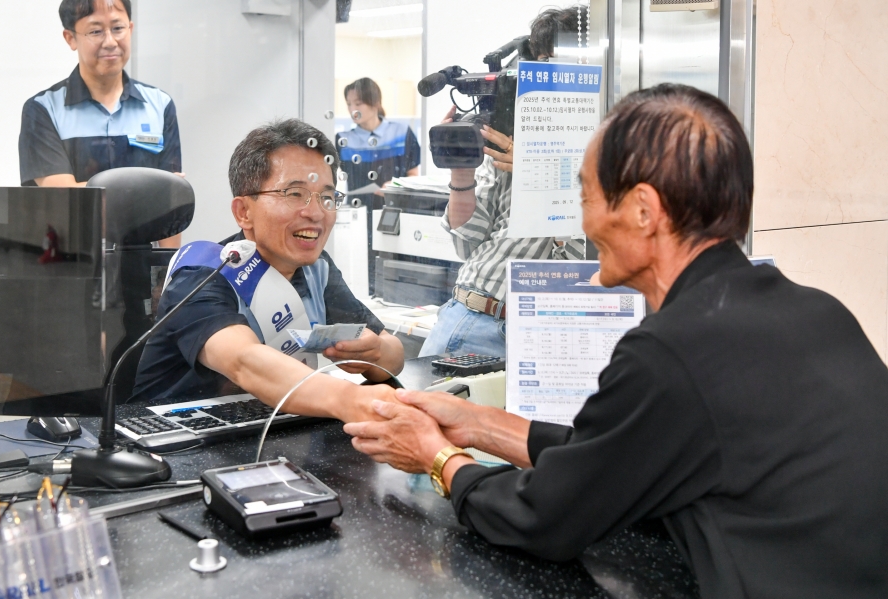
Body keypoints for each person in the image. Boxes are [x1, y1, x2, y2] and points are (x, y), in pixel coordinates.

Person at [345, 84, 888, 598]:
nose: (582, 220)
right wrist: (478, 424)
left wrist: (434, 454)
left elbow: (544, 517)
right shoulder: (817, 311)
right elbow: (615, 456)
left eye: (586, 194)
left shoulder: (671, 350)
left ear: (644, 211)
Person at [132, 119, 404, 424]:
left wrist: (374, 354)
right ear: (243, 212)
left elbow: (393, 352)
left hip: (273, 429)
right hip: (173, 437)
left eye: (327, 197)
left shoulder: (317, 270)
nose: (316, 213)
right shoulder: (204, 274)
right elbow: (245, 362)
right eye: (295, 194)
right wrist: (354, 401)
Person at [418, 6, 584, 358]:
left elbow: (581, 260)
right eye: (544, 60)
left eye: (564, 60)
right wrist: (462, 170)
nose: (551, 71)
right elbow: (467, 245)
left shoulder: (611, 152)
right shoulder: (513, 138)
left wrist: (540, 172)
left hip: (539, 331)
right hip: (466, 314)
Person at [18, 0, 182, 247]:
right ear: (70, 38)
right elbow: (63, 197)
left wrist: (167, 268)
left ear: (130, 28)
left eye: (118, 28)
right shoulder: (42, 110)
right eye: (95, 31)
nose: (110, 41)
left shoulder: (160, 105)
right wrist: (149, 193)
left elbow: (170, 206)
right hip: (71, 259)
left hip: (139, 261)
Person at [336, 77, 421, 295]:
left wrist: (397, 185)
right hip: (359, 218)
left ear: (375, 103)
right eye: (349, 104)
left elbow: (414, 176)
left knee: (396, 271)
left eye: (358, 103)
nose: (353, 110)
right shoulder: (343, 140)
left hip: (395, 212)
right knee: (361, 275)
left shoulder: (401, 133)